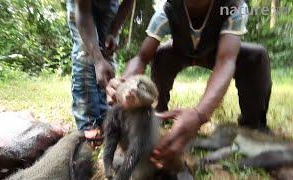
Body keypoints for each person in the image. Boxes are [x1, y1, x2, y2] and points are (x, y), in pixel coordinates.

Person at [106, 0, 272, 168]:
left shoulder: (232, 7)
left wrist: (199, 114)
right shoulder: (167, 11)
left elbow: (226, 61)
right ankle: (158, 112)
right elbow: (142, 57)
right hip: (180, 52)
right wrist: (123, 84)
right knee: (161, 54)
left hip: (217, 51)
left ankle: (253, 125)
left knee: (257, 56)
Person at [66, 0, 134, 142]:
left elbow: (128, 2)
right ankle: (88, 122)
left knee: (107, 52)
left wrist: (113, 33)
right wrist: (97, 60)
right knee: (85, 52)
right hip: (81, 6)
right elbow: (83, 13)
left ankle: (105, 116)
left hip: (109, 4)